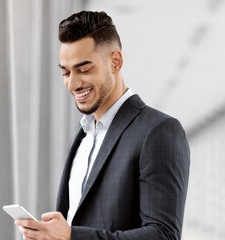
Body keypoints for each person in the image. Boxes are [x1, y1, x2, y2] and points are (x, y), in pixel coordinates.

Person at [15, 10, 190, 240]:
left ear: (115, 61)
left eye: (84, 70)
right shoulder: (83, 135)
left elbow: (163, 235)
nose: (73, 83)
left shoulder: (158, 131)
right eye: (65, 72)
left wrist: (72, 237)